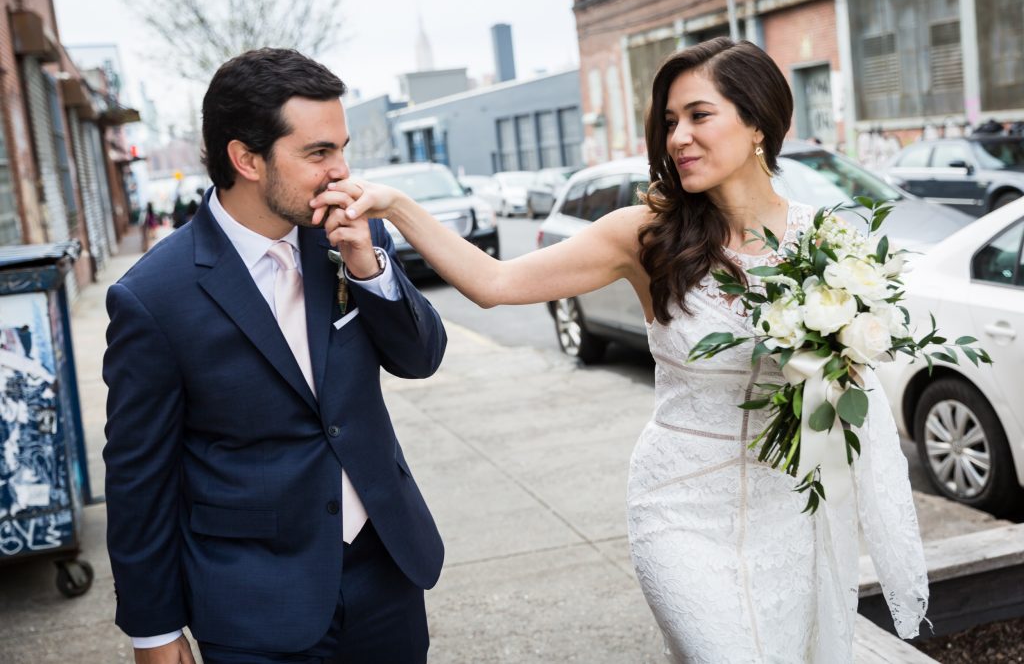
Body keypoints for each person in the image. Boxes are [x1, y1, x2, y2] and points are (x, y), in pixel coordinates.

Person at [315, 38, 928, 662]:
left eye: (698, 115)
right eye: (669, 122)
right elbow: (493, 284)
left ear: (758, 124)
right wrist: (396, 205)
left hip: (786, 510)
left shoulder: (826, 246)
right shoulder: (644, 236)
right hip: (680, 508)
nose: (677, 138)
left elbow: (848, 386)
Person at [103, 48, 446, 663]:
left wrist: (369, 269)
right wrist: (152, 631)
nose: (342, 171)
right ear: (246, 159)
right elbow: (139, 478)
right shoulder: (153, 298)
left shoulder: (350, 235)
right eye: (319, 153)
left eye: (342, 147)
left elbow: (420, 359)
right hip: (255, 602)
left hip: (386, 570)